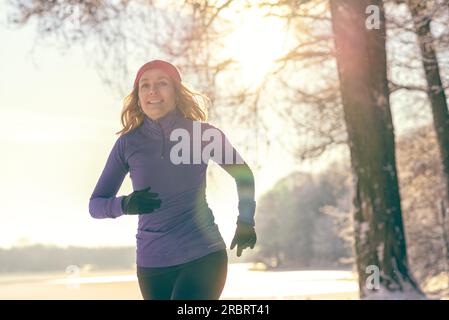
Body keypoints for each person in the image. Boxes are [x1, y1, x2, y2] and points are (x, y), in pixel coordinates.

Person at [88, 60, 257, 300]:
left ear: (177, 92)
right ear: (138, 97)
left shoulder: (204, 135)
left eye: (162, 83)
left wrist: (246, 221)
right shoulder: (127, 143)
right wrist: (124, 205)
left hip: (203, 256)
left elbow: (244, 175)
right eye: (144, 86)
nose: (152, 91)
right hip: (151, 265)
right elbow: (95, 204)